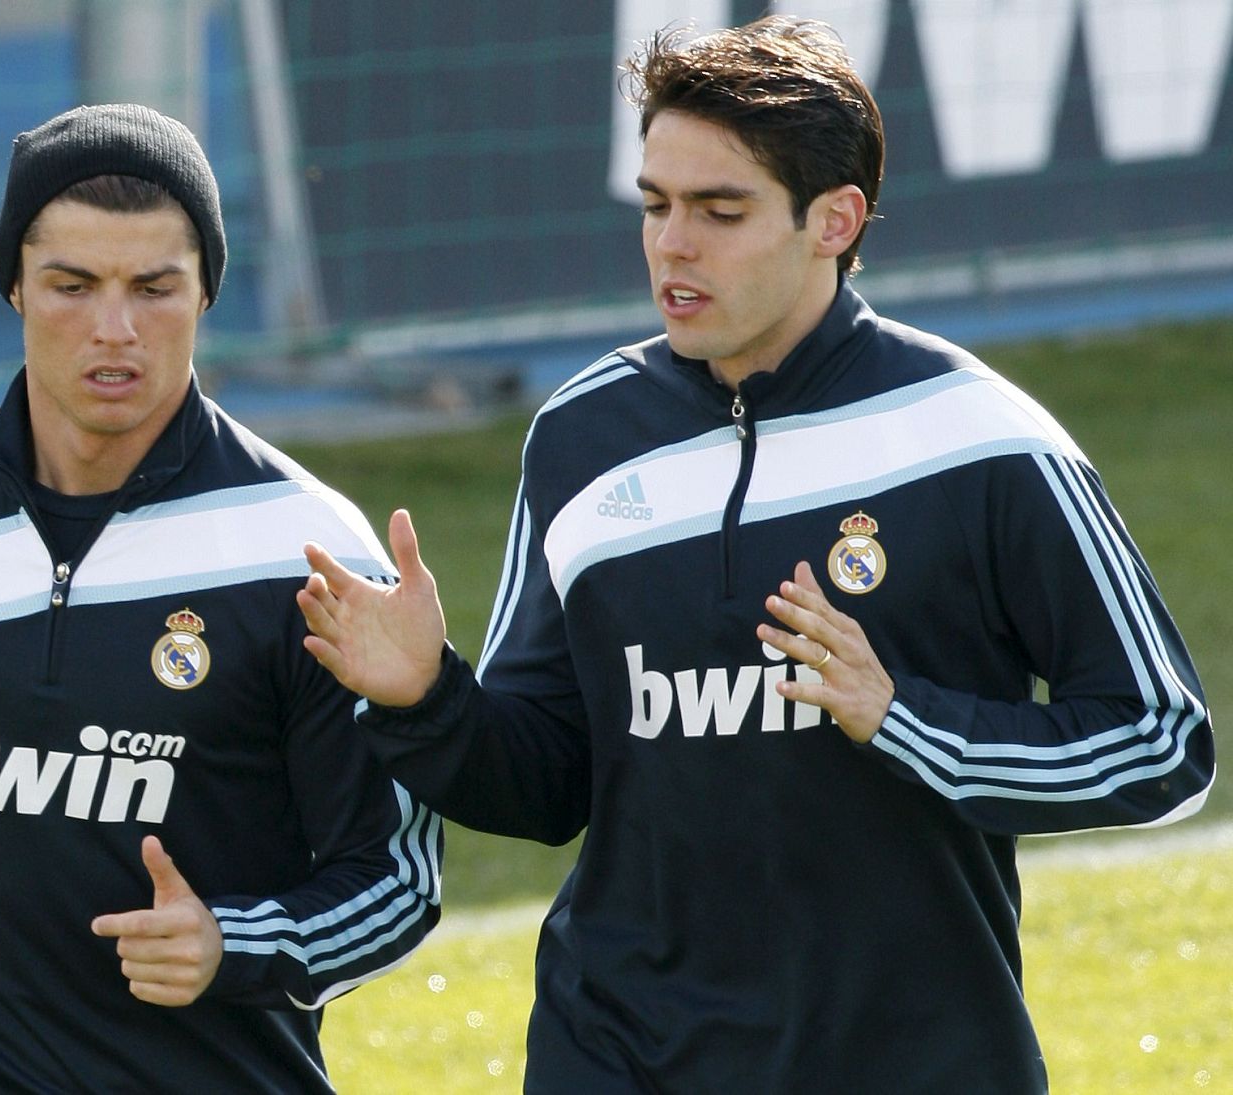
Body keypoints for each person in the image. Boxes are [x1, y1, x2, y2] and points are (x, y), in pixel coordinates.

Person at [297, 17, 1215, 1093]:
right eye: (655, 205)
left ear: (834, 220)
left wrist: (905, 722)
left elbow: (1159, 743)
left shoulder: (979, 441)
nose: (671, 245)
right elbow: (547, 787)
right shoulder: (582, 441)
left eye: (718, 211)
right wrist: (424, 697)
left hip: (909, 1059)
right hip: (620, 1049)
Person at [0, 103, 442, 1092]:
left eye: (153, 288)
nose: (114, 329)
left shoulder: (307, 554)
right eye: (72, 285)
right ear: (14, 285)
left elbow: (396, 882)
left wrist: (235, 942)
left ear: (207, 293)